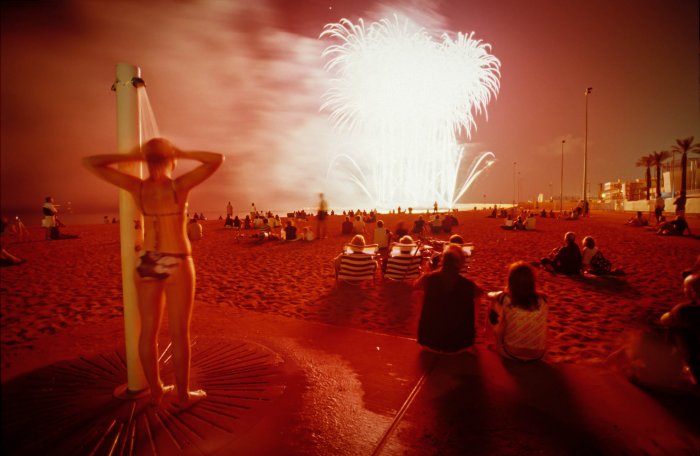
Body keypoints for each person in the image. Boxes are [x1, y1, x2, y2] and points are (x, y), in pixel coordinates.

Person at [83, 137, 223, 410]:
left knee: (148, 332)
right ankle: (182, 396)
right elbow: (216, 158)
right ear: (171, 159)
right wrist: (181, 150)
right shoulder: (178, 186)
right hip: (176, 259)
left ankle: (157, 390)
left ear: (147, 161)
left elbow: (90, 162)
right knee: (179, 333)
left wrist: (134, 156)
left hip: (147, 260)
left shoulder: (137, 187)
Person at [415, 245, 483, 353]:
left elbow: (416, 287)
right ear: (460, 264)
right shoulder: (468, 285)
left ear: (443, 260)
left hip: (429, 342)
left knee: (420, 295)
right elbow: (481, 293)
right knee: (476, 300)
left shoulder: (428, 279)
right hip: (459, 345)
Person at [487, 261, 548, 361]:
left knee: (494, 305)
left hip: (511, 353)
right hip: (539, 355)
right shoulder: (543, 300)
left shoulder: (505, 298)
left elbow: (489, 295)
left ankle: (492, 341)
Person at [659, 268, 700, 385]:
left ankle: (668, 367)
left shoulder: (685, 310)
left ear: (692, 292)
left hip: (697, 359)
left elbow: (664, 320)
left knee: (676, 329)